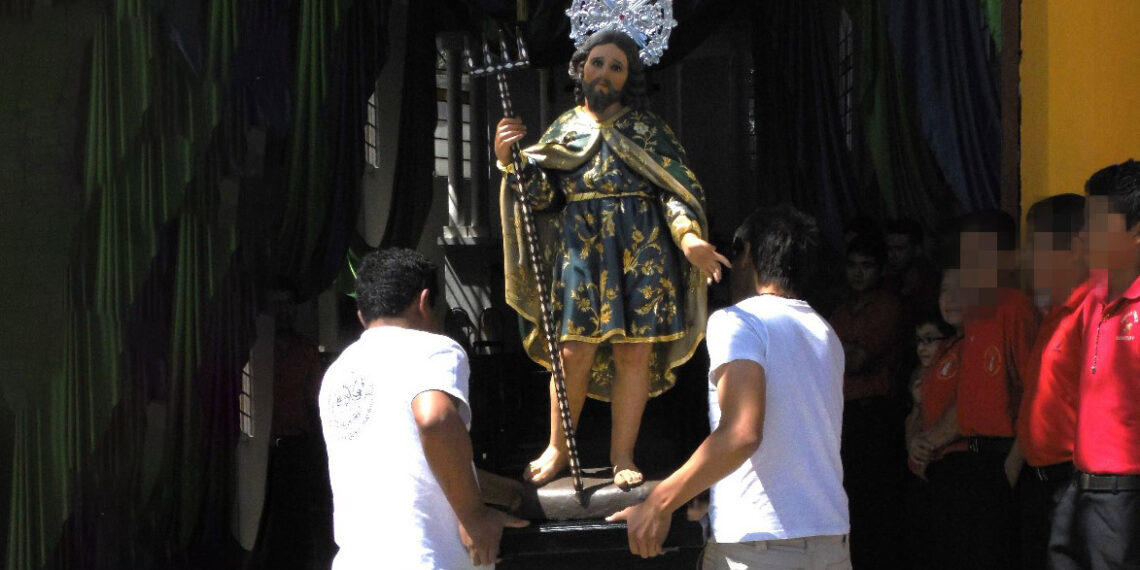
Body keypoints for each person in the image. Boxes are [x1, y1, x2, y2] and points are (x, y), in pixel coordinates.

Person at [494, 29, 728, 489]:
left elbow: (673, 191)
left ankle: (622, 453)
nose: (604, 73)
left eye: (616, 67)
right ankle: (558, 448)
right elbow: (542, 199)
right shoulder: (563, 129)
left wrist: (688, 239)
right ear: (581, 69)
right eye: (597, 63)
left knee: (633, 353)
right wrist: (512, 162)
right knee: (571, 352)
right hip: (580, 253)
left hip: (641, 253)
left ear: (628, 78)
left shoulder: (648, 130)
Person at [607, 205, 851, 569]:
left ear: (747, 253)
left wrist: (658, 503)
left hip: (761, 550)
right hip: (830, 543)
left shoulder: (739, 321)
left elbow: (741, 433)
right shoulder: (824, 332)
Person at [318, 249, 527, 569]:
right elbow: (435, 420)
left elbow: (419, 464)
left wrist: (510, 492)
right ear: (425, 301)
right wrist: (475, 516)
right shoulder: (433, 349)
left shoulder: (338, 373)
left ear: (362, 315)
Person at [1048, 159, 1140, 569]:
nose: (1085, 233)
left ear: (1136, 232)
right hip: (1080, 488)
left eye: (1099, 223)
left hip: (1126, 499)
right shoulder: (1094, 300)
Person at [1016, 193, 1089, 569]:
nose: (1025, 257)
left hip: (1075, 486)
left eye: (1035, 245)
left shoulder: (1096, 314)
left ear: (1074, 249)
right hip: (1039, 484)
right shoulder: (1055, 315)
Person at [827, 233, 906, 569]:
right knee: (848, 501)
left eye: (867, 266)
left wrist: (838, 351)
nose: (858, 273)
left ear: (881, 269)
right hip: (845, 416)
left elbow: (856, 360)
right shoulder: (841, 311)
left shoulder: (889, 306)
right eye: (852, 265)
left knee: (876, 504)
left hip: (876, 416)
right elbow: (828, 357)